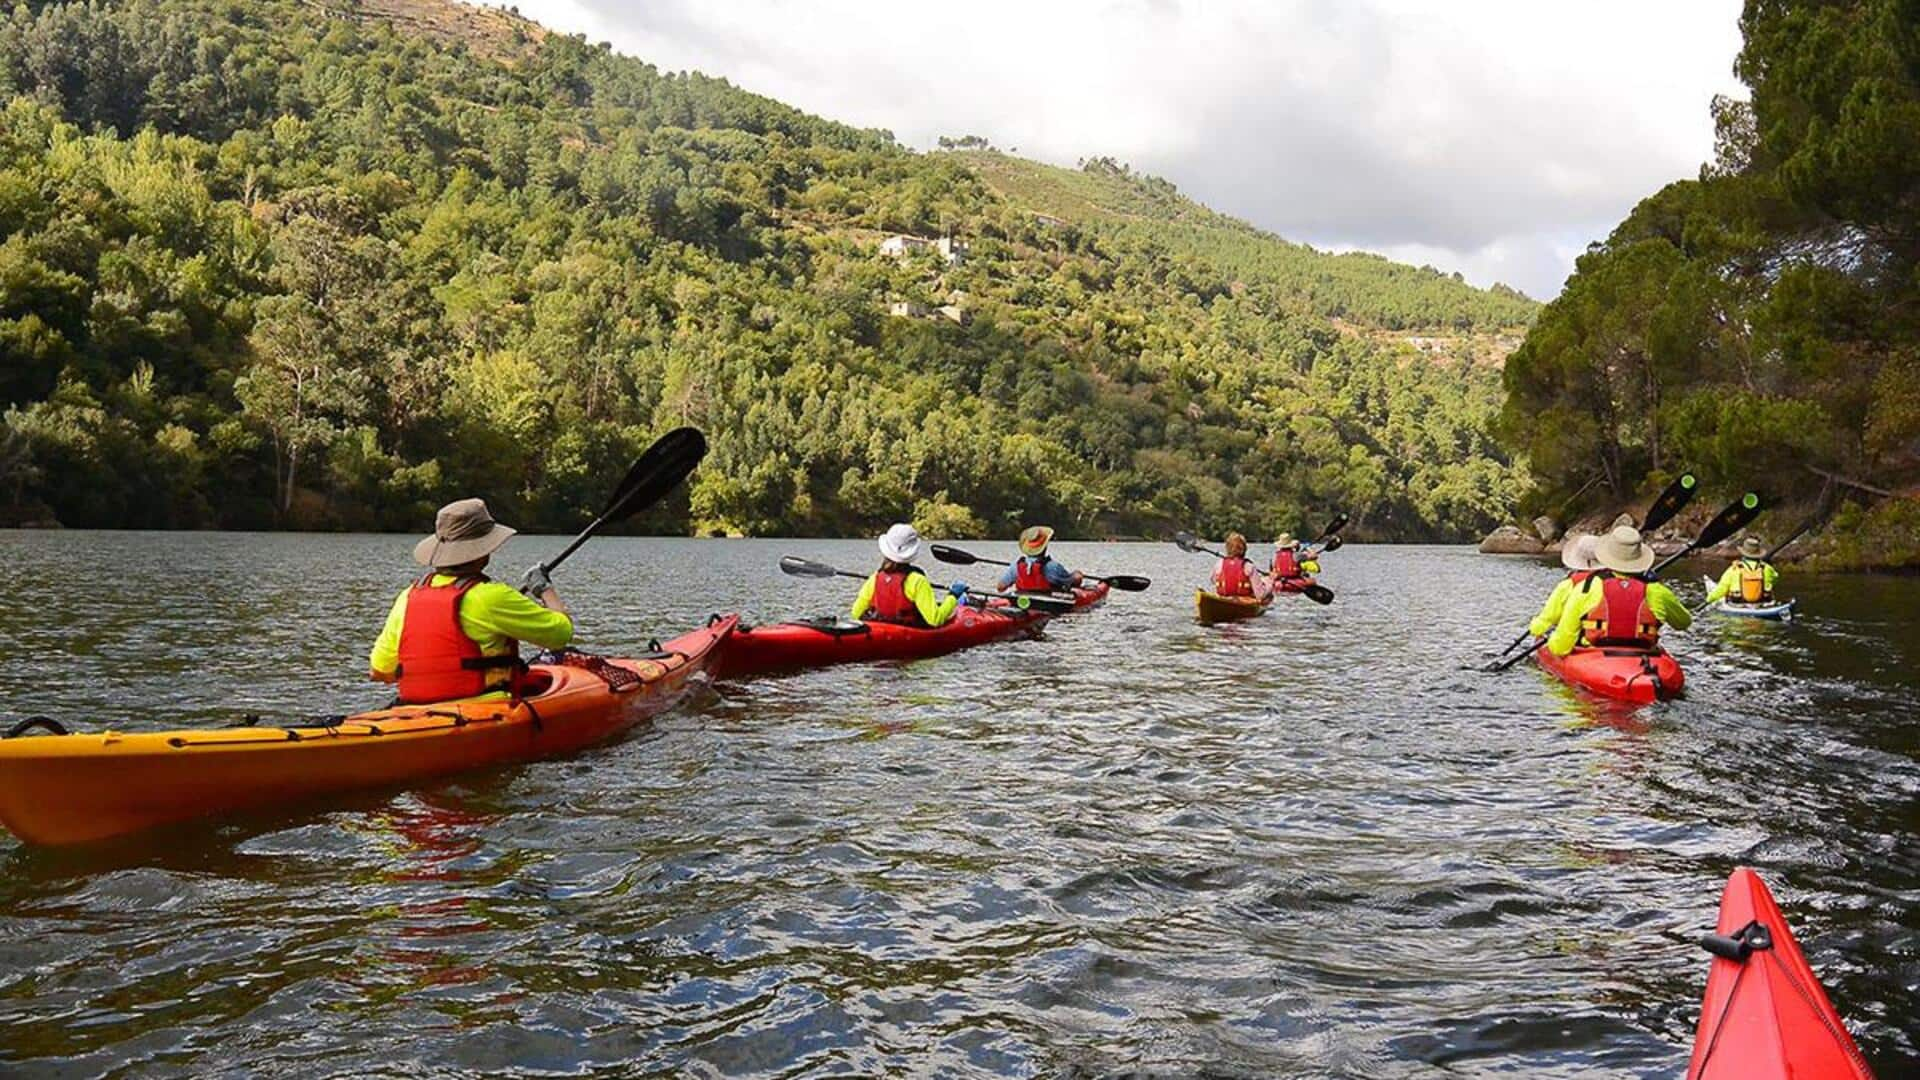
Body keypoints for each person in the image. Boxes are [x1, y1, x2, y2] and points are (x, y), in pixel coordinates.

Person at [369, 498, 575, 704]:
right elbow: (561, 634)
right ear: (483, 552)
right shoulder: (493, 597)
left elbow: (380, 670)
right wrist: (545, 590)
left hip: (416, 711)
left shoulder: (407, 597)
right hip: (484, 709)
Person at [1547, 525, 1692, 656]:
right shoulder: (1657, 590)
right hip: (1644, 655)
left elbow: (1561, 647)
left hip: (1596, 656)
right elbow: (1683, 623)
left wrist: (1550, 644)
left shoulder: (1587, 588)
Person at [850, 523, 966, 627]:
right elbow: (935, 620)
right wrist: (953, 595)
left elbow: (855, 614)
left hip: (881, 627)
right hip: (909, 631)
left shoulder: (875, 578)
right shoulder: (917, 581)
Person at [1527, 534, 1601, 637]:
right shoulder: (1614, 581)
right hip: (1609, 637)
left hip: (1580, 641)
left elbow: (1545, 620)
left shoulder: (1568, 585)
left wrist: (1534, 628)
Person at [998, 525, 1084, 594]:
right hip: (1048, 603)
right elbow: (1072, 582)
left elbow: (1000, 588)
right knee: (1077, 575)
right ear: (1044, 547)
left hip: (1023, 600)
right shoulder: (1053, 567)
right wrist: (1077, 575)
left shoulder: (1016, 566)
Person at [1705, 536, 1779, 606]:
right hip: (1763, 604)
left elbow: (1721, 590)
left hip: (1737, 605)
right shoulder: (1768, 568)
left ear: (1743, 553)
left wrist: (1708, 600)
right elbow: (1775, 579)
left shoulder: (1733, 569)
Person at [1212, 532, 1268, 598]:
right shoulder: (1249, 566)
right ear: (1244, 549)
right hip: (1244, 600)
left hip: (1224, 598)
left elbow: (1213, 580)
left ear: (1227, 548)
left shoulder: (1219, 564)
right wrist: (1270, 584)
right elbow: (1260, 595)